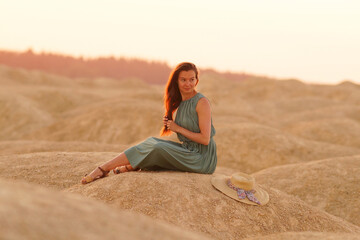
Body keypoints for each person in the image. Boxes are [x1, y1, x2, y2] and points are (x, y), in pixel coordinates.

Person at [81, 62, 217, 184]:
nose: (188, 83)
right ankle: (106, 168)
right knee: (152, 142)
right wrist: (172, 124)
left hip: (201, 159)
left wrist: (178, 128)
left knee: (159, 148)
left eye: (192, 79)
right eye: (183, 80)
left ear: (197, 80)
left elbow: (205, 139)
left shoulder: (202, 102)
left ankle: (114, 168)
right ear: (176, 81)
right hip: (188, 150)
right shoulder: (181, 103)